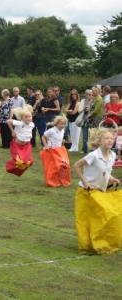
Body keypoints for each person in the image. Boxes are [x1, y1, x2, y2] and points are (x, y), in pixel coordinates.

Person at [74, 127, 120, 255]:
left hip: (100, 193)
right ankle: (87, 246)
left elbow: (105, 171)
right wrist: (85, 182)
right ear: (99, 141)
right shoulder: (93, 155)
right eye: (106, 138)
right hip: (86, 193)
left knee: (102, 218)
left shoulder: (113, 155)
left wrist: (112, 179)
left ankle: (102, 243)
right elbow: (76, 166)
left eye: (111, 138)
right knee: (87, 221)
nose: (110, 140)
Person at [6, 105, 34, 177]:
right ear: (22, 118)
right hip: (17, 145)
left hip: (26, 146)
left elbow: (29, 129)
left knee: (29, 162)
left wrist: (30, 135)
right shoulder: (20, 123)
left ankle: (18, 172)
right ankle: (9, 167)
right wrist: (12, 131)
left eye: (29, 116)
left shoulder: (32, 124)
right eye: (26, 117)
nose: (28, 118)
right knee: (19, 162)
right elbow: (9, 121)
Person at [78, 89, 93, 154]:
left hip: (92, 119)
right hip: (84, 119)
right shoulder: (83, 101)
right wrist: (83, 108)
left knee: (92, 135)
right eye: (89, 95)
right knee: (85, 135)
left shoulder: (94, 101)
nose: (91, 96)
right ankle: (84, 149)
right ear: (86, 95)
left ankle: (92, 149)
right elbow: (79, 110)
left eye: (92, 94)